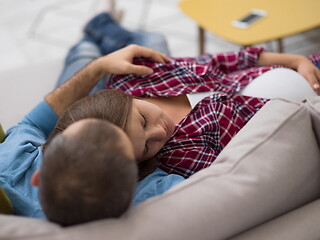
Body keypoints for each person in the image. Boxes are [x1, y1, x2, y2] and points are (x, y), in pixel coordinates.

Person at [46, 12, 320, 180]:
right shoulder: (180, 156)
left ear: (123, 96)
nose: (159, 132)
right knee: (96, 51)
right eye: (145, 148)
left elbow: (219, 61)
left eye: (142, 121)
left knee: (149, 43)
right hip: (311, 104)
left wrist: (296, 60)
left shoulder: (135, 75)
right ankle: (99, 31)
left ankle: (100, 29)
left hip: (303, 68)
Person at [0, 40, 177, 225]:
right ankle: (105, 32)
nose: (161, 131)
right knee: (151, 41)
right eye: (146, 147)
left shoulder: (8, 166)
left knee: (88, 52)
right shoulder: (151, 192)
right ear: (135, 171)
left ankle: (98, 37)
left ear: (38, 177)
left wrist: (100, 67)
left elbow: (33, 124)